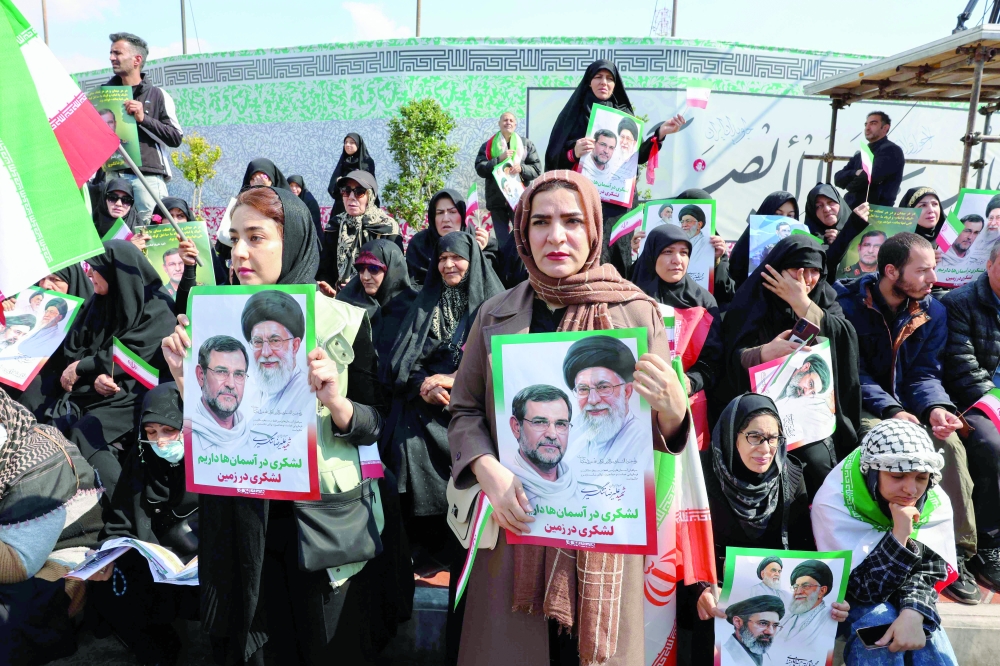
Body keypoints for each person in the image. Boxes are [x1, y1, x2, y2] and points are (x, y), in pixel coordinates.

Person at [160, 184, 410, 665]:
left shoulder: (344, 321)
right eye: (234, 238)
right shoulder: (215, 322)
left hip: (318, 526)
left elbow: (374, 424)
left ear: (292, 238)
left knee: (322, 644)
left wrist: (337, 403)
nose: (238, 252)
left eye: (256, 237)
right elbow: (209, 429)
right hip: (240, 521)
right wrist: (184, 381)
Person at [448, 170, 690, 666]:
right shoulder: (494, 313)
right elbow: (465, 409)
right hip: (516, 528)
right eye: (541, 222)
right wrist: (487, 470)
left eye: (572, 221)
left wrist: (673, 406)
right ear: (522, 233)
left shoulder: (636, 313)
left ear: (595, 230)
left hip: (602, 530)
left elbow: (656, 432)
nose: (556, 236)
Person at [835, 232, 980, 604]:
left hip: (911, 408)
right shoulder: (848, 304)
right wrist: (893, 411)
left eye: (933, 268)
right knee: (888, 446)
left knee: (949, 445)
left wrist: (936, 409)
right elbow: (854, 374)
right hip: (865, 406)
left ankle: (956, 552)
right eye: (923, 270)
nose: (932, 279)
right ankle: (884, 544)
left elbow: (925, 374)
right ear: (890, 271)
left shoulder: (933, 310)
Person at [686, 394, 837, 666]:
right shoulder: (700, 474)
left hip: (777, 601)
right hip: (714, 595)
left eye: (773, 438)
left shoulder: (790, 474)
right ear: (732, 435)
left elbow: (804, 548)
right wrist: (700, 590)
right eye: (755, 437)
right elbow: (683, 543)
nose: (766, 448)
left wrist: (829, 599)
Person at [721, 236, 862, 496]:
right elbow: (728, 359)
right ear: (774, 270)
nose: (805, 279)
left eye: (813, 271)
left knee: (819, 461)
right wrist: (762, 353)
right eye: (796, 270)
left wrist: (803, 305)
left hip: (810, 415)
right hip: (760, 410)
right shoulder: (751, 301)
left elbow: (846, 340)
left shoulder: (824, 298)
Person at [383, 231, 503, 536]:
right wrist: (425, 386)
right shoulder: (427, 302)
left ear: (472, 260)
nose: (448, 265)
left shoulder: (495, 305)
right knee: (404, 442)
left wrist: (453, 380)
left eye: (457, 257)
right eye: (442, 258)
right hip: (427, 403)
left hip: (473, 407)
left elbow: (501, 368)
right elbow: (404, 361)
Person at [812, 420, 959, 665]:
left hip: (902, 591)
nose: (911, 489)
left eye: (921, 478)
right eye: (897, 475)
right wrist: (900, 535)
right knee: (877, 626)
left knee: (930, 637)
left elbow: (928, 571)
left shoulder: (934, 500)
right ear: (871, 473)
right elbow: (862, 590)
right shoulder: (836, 500)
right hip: (850, 601)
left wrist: (914, 612)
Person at [39, 241, 174, 505]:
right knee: (53, 429)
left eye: (96, 268)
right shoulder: (98, 303)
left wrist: (87, 367)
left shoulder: (158, 309)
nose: (89, 274)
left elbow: (134, 354)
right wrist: (95, 373)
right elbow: (76, 346)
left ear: (116, 273)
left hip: (136, 394)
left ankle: (123, 512)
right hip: (92, 391)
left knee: (86, 432)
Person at [90, 382, 199, 665]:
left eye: (168, 430)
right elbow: (121, 522)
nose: (160, 442)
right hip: (161, 563)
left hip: (203, 562)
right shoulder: (141, 460)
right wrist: (106, 554)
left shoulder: (211, 464)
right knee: (112, 580)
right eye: (150, 432)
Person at [543, 60, 684, 277]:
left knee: (619, 253)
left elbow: (635, 157)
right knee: (586, 250)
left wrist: (660, 133)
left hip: (618, 204)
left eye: (610, 79)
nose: (604, 83)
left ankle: (615, 303)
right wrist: (574, 151)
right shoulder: (574, 114)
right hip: (584, 201)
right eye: (598, 77)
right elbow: (554, 157)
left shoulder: (624, 115)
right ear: (589, 82)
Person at [0, 391, 102, 665]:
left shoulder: (36, 467)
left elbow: (17, 565)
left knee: (11, 617)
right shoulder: (12, 441)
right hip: (22, 548)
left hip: (62, 559)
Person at [941, 240, 1000, 591]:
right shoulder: (960, 303)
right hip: (973, 403)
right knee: (992, 445)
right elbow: (963, 369)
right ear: (991, 264)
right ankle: (990, 544)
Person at [631, 224, 723, 398]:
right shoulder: (630, 297)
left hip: (686, 403)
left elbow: (714, 361)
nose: (677, 260)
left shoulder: (703, 302)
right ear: (652, 254)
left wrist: (691, 381)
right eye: (668, 252)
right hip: (636, 397)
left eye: (684, 253)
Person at [105, 32, 183, 223]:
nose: (111, 58)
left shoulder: (158, 95)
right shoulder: (103, 96)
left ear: (136, 59)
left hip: (147, 177)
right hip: (113, 174)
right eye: (111, 53)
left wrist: (143, 118)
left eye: (117, 53)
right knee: (115, 231)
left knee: (153, 231)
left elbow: (175, 137)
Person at [335, 239, 417, 370]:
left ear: (392, 269)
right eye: (361, 269)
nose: (365, 277)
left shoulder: (414, 308)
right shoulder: (347, 303)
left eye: (373, 269)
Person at [318, 170, 401, 289]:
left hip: (376, 300)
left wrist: (361, 288)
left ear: (370, 196)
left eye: (359, 192)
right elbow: (325, 269)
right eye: (346, 191)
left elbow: (395, 272)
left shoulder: (386, 227)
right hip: (338, 298)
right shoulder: (335, 225)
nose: (351, 197)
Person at [718, 191, 800, 306]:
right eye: (778, 215)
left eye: (790, 216)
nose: (784, 221)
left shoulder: (799, 248)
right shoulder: (747, 246)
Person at [475, 112, 542, 247]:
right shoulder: (488, 146)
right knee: (502, 241)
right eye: (505, 120)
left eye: (511, 120)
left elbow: (537, 169)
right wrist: (498, 160)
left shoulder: (526, 145)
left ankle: (521, 267)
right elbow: (480, 168)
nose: (508, 122)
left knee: (522, 238)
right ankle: (504, 267)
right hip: (497, 201)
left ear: (515, 125)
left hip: (519, 199)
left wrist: (521, 169)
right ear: (499, 124)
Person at [405, 188, 495, 286]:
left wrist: (475, 253)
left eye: (452, 212)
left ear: (462, 215)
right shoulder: (420, 245)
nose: (446, 219)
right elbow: (413, 287)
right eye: (439, 213)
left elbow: (488, 286)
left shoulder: (480, 241)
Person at [508, 384, 578, 506]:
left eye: (561, 424)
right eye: (540, 422)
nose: (552, 434)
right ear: (516, 427)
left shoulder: (587, 492)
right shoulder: (500, 489)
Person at [190, 335, 250, 452]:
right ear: (201, 376)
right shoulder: (183, 435)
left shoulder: (256, 438)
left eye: (238, 374)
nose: (231, 384)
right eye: (221, 372)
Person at [834, 111, 905, 209]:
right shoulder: (861, 154)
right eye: (866, 124)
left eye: (873, 123)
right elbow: (837, 179)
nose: (867, 128)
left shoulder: (891, 150)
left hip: (875, 214)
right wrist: (855, 173)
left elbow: (868, 178)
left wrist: (849, 186)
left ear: (885, 128)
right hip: (851, 211)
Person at [802, 182, 869, 279]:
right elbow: (824, 266)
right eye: (819, 206)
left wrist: (844, 235)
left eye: (830, 202)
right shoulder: (808, 239)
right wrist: (841, 240)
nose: (826, 209)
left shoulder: (859, 227)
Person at [771, 560, 838, 646]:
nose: (798, 592)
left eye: (805, 586)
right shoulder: (787, 618)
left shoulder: (829, 616)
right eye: (795, 587)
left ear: (822, 591)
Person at [721, 596, 785, 666]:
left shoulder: (770, 658)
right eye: (763, 623)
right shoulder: (721, 655)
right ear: (738, 622)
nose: (770, 632)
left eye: (775, 625)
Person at [327, 133, 376, 219]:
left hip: (361, 208)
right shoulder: (342, 162)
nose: (348, 145)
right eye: (346, 142)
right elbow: (332, 189)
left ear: (358, 144)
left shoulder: (367, 163)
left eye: (352, 142)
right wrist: (339, 183)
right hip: (341, 209)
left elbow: (370, 188)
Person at [288, 175, 324, 240]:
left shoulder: (310, 201)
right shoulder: (285, 199)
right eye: (291, 185)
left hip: (311, 237)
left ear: (301, 187)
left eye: (297, 186)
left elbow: (314, 222)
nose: (293, 189)